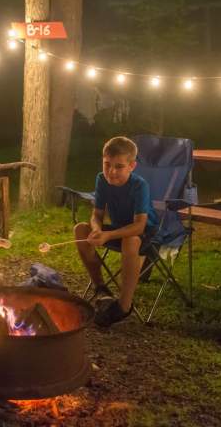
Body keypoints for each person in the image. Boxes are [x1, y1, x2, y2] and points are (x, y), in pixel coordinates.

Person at [74, 136, 158, 327]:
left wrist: (108, 235)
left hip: (146, 233)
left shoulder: (139, 185)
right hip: (119, 229)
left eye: (119, 166)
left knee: (130, 240)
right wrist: (96, 230)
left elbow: (139, 226)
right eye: (107, 164)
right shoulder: (101, 179)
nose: (111, 171)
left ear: (132, 166)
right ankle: (101, 288)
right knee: (81, 230)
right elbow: (97, 214)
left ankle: (123, 305)